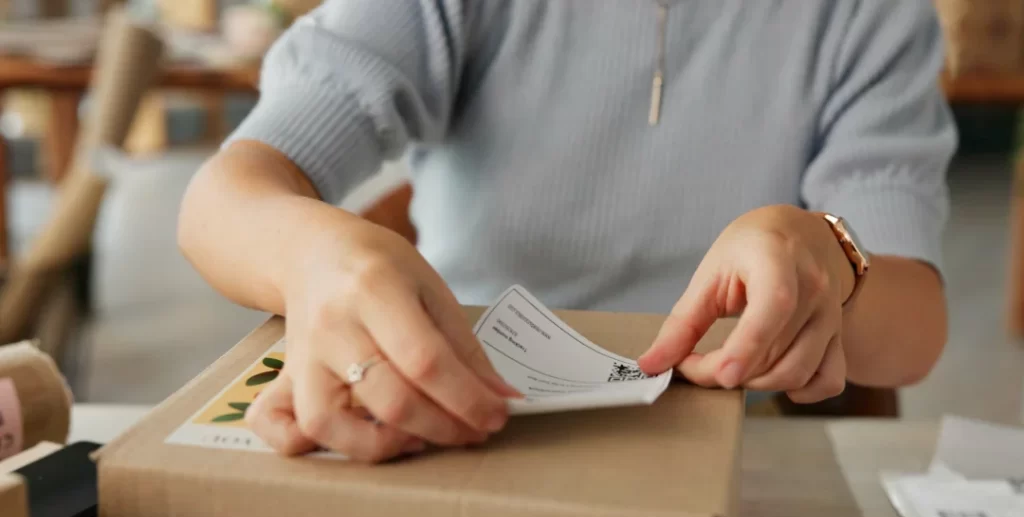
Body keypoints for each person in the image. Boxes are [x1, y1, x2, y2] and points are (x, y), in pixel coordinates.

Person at [178, 0, 955, 462]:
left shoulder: (867, 15)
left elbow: (916, 326)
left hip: (725, 452)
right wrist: (317, 255)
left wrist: (829, 260)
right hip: (455, 424)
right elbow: (222, 199)